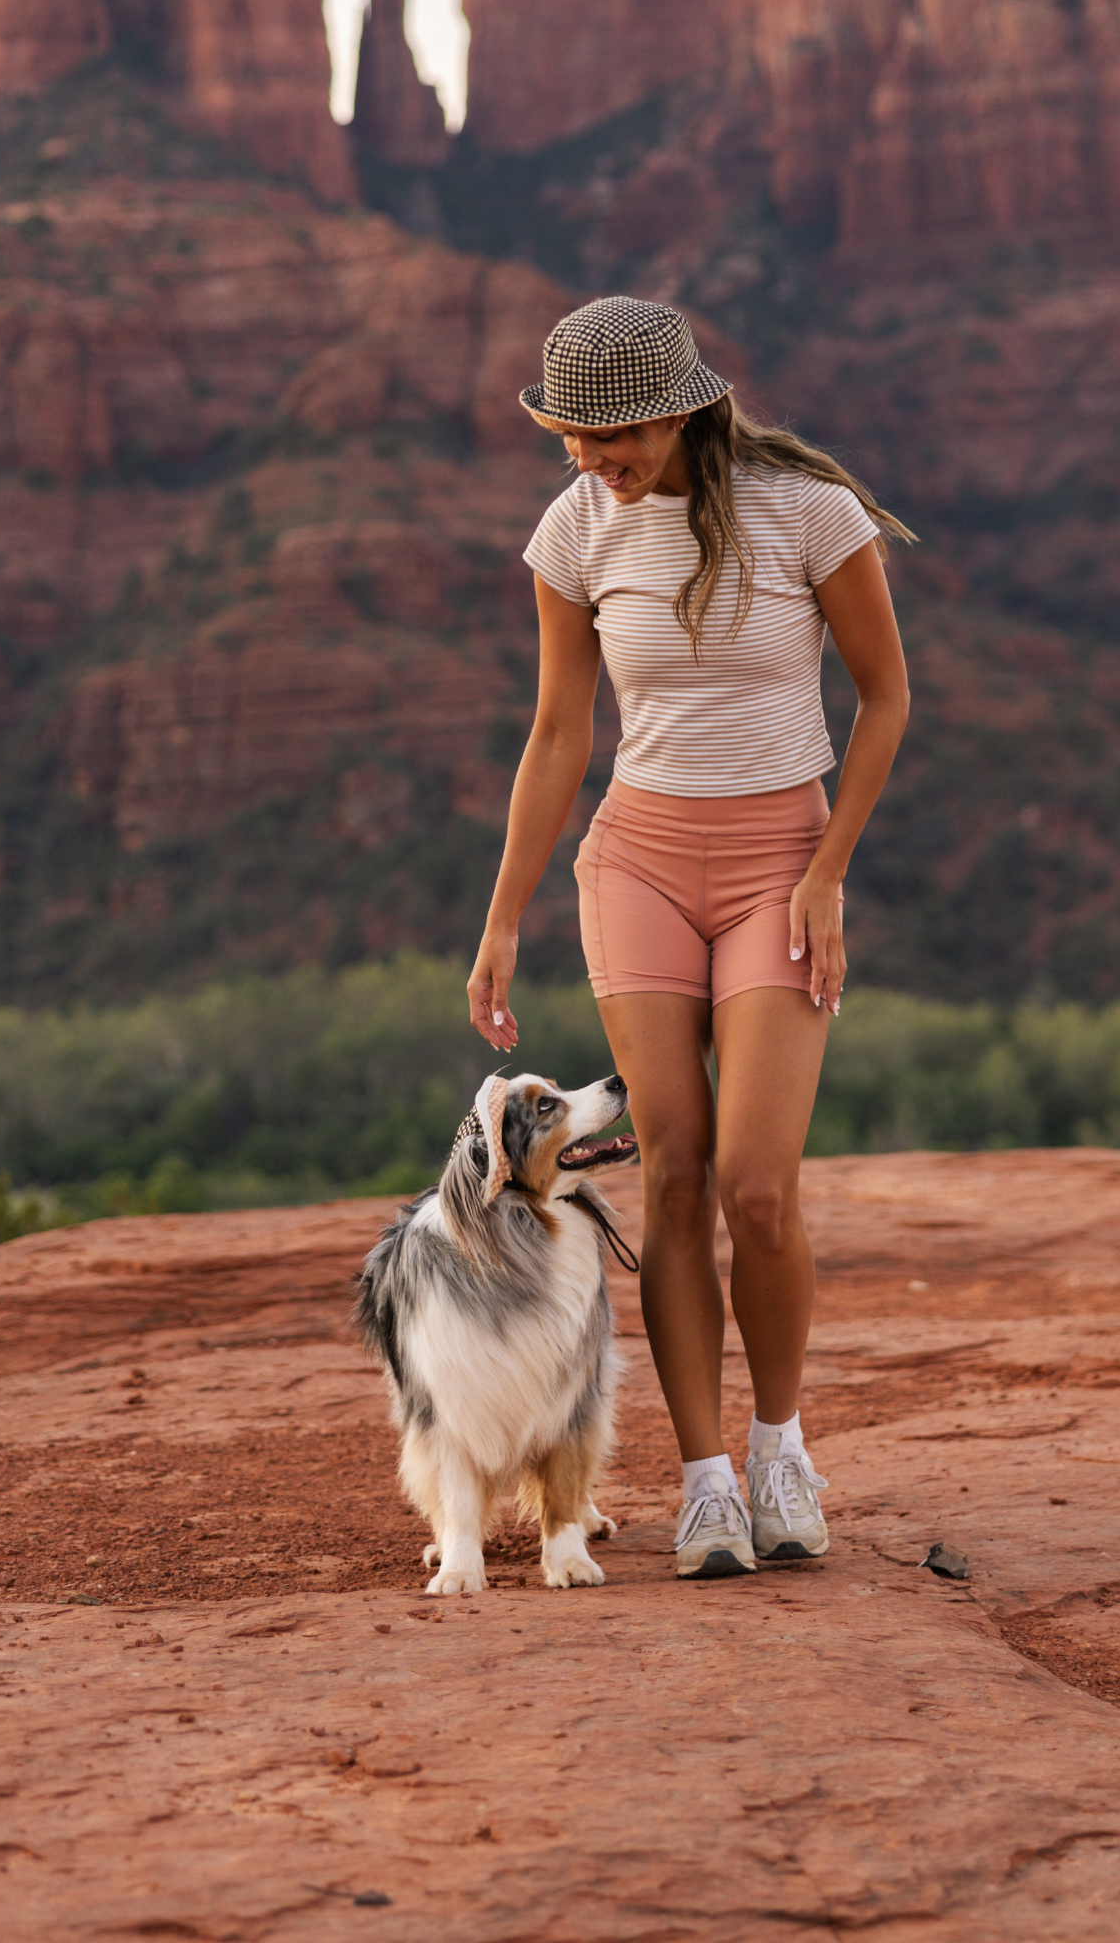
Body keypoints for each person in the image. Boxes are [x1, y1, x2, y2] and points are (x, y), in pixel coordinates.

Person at [467, 296, 911, 1579]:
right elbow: (558, 735)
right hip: (640, 864)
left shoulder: (809, 512)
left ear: (676, 412)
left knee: (757, 1186)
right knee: (670, 1167)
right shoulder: (575, 530)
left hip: (782, 864)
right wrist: (503, 919)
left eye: (607, 440)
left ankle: (782, 1449)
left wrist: (828, 875)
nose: (588, 464)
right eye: (569, 441)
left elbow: (886, 698)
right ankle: (706, 1480)